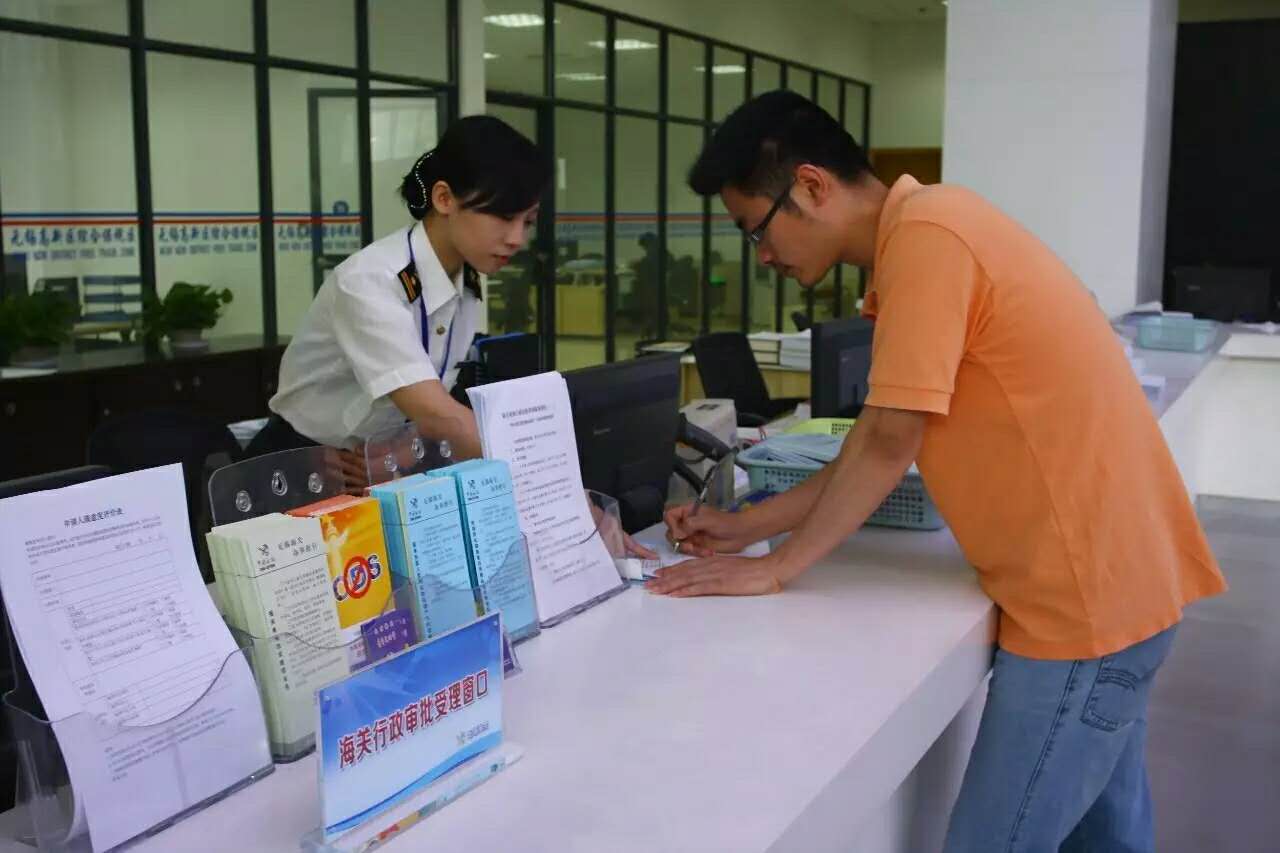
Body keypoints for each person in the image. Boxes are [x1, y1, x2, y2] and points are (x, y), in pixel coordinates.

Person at [652, 90, 1227, 852]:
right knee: (1109, 840)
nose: (761, 255)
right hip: (1118, 586)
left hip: (1082, 607)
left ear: (812, 186)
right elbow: (875, 438)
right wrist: (744, 527)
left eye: (756, 229)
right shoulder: (931, 229)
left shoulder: (928, 239)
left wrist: (777, 567)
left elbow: (890, 440)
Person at [250, 116, 552, 473]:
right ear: (444, 198)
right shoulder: (371, 281)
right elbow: (440, 417)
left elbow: (432, 409)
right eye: (502, 217)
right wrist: (545, 478)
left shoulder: (463, 281)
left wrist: (399, 459)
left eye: (527, 222)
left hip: (373, 464)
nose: (517, 239)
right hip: (301, 463)